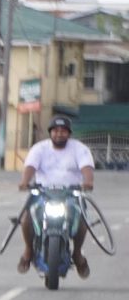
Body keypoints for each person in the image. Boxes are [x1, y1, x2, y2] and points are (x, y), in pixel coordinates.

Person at [16, 115, 96, 278]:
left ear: (69, 133)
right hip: (43, 192)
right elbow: (30, 166)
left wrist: (87, 182)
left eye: (63, 131)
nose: (59, 134)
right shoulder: (39, 148)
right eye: (56, 131)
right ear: (50, 132)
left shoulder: (79, 149)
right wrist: (25, 182)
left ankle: (77, 253)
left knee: (82, 219)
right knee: (26, 218)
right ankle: (28, 250)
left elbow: (87, 168)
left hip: (71, 193)